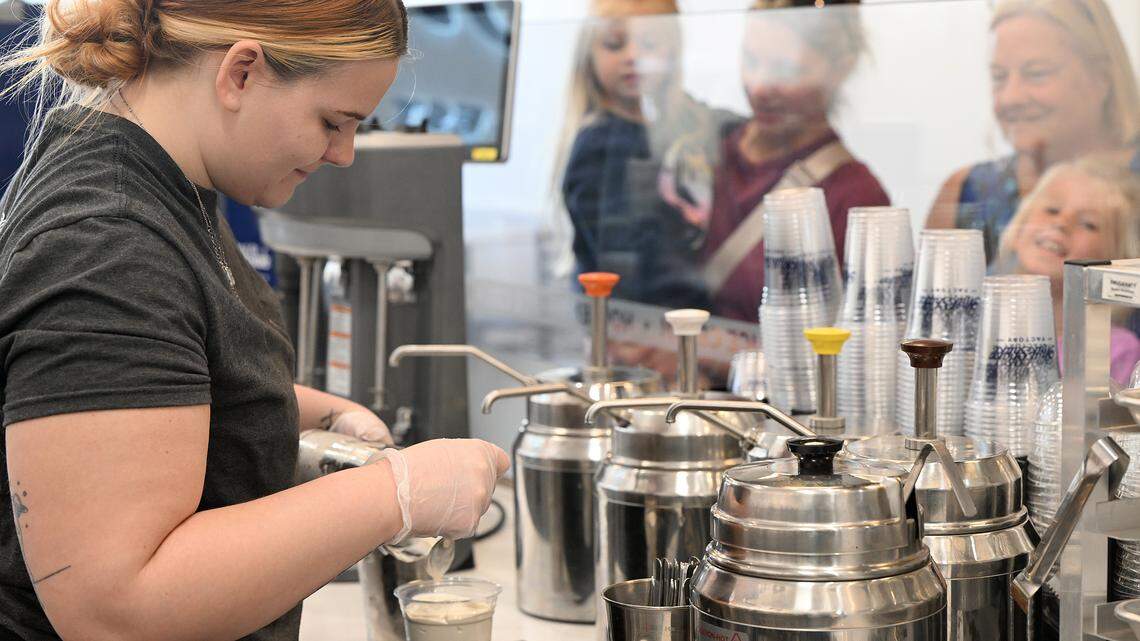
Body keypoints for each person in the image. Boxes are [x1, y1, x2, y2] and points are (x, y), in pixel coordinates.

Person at [0, 1, 509, 640]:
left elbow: (148, 384)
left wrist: (308, 412)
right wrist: (395, 494)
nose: (344, 153)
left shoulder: (165, 181)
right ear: (240, 73)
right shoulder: (109, 241)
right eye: (333, 121)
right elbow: (116, 608)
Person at [702, 0, 889, 324]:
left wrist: (718, 349)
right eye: (751, 60)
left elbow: (854, 351)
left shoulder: (855, 198)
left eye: (786, 69)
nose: (759, 86)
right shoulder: (708, 150)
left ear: (840, 69)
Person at [928, 0, 1140, 269]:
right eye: (999, 77)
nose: (1011, 97)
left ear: (1102, 78)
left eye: (1037, 74)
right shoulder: (964, 191)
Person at [557, 0, 730, 308]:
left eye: (649, 44)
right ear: (589, 56)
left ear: (672, 53)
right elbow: (626, 258)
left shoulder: (677, 126)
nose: (633, 56)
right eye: (614, 44)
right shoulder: (601, 144)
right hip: (635, 321)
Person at [997, 155, 1140, 385]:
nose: (1061, 223)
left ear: (1119, 260)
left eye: (1088, 224)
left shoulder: (1114, 351)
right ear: (1018, 228)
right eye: (1052, 210)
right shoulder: (982, 322)